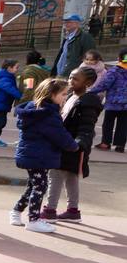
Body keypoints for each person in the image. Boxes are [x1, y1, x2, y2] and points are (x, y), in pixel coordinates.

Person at [11, 79, 81, 234]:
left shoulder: (36, 109)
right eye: (63, 94)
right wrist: (74, 146)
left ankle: (16, 211)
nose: (65, 97)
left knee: (34, 185)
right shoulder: (47, 114)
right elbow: (59, 135)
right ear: (52, 94)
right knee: (40, 187)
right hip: (37, 156)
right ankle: (33, 220)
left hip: (33, 154)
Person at [42, 67, 104, 222]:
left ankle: (50, 210)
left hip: (73, 145)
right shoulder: (70, 96)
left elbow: (87, 126)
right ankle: (73, 211)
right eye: (70, 77)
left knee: (55, 174)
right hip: (65, 142)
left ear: (88, 83)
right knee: (71, 176)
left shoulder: (88, 102)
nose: (70, 81)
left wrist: (80, 142)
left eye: (75, 79)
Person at [92, 48, 127, 152]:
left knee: (108, 123)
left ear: (119, 58)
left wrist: (91, 91)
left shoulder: (114, 71)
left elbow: (104, 84)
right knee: (123, 125)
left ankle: (106, 143)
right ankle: (120, 145)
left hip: (113, 103)